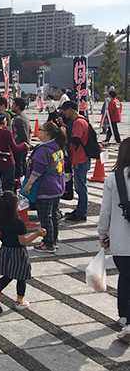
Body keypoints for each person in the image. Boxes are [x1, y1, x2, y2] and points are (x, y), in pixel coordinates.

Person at [0, 191, 47, 313]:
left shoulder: (0, 220)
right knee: (21, 276)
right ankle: (20, 301)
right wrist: (37, 234)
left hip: (5, 250)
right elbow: (22, 241)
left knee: (8, 274)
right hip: (18, 252)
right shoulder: (19, 223)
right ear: (15, 206)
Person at [98, 138, 130, 341]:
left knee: (125, 277)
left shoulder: (114, 179)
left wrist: (103, 234)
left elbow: (105, 211)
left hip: (121, 240)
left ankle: (124, 316)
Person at [23, 122, 66, 253]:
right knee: (53, 215)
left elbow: (39, 168)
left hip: (45, 187)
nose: (38, 131)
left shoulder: (43, 149)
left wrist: (29, 183)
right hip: (57, 186)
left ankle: (48, 243)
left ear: (46, 133)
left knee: (45, 216)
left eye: (40, 129)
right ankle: (53, 240)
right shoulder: (56, 146)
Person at [61, 101, 90, 222]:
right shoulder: (81, 120)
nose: (64, 112)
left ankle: (81, 213)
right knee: (80, 186)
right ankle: (79, 210)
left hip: (80, 158)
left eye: (65, 110)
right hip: (80, 157)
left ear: (71, 109)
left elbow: (76, 140)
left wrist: (65, 134)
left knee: (80, 187)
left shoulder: (78, 123)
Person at [0, 113, 29, 191]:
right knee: (8, 185)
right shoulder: (7, 132)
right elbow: (15, 148)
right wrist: (24, 145)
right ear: (2, 121)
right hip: (8, 161)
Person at [11, 97, 31, 180]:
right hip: (23, 145)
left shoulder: (18, 118)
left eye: (13, 104)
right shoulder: (25, 116)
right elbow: (29, 131)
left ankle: (19, 184)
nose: (12, 106)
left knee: (19, 167)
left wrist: (27, 144)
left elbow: (23, 133)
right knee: (22, 166)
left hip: (19, 145)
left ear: (17, 107)